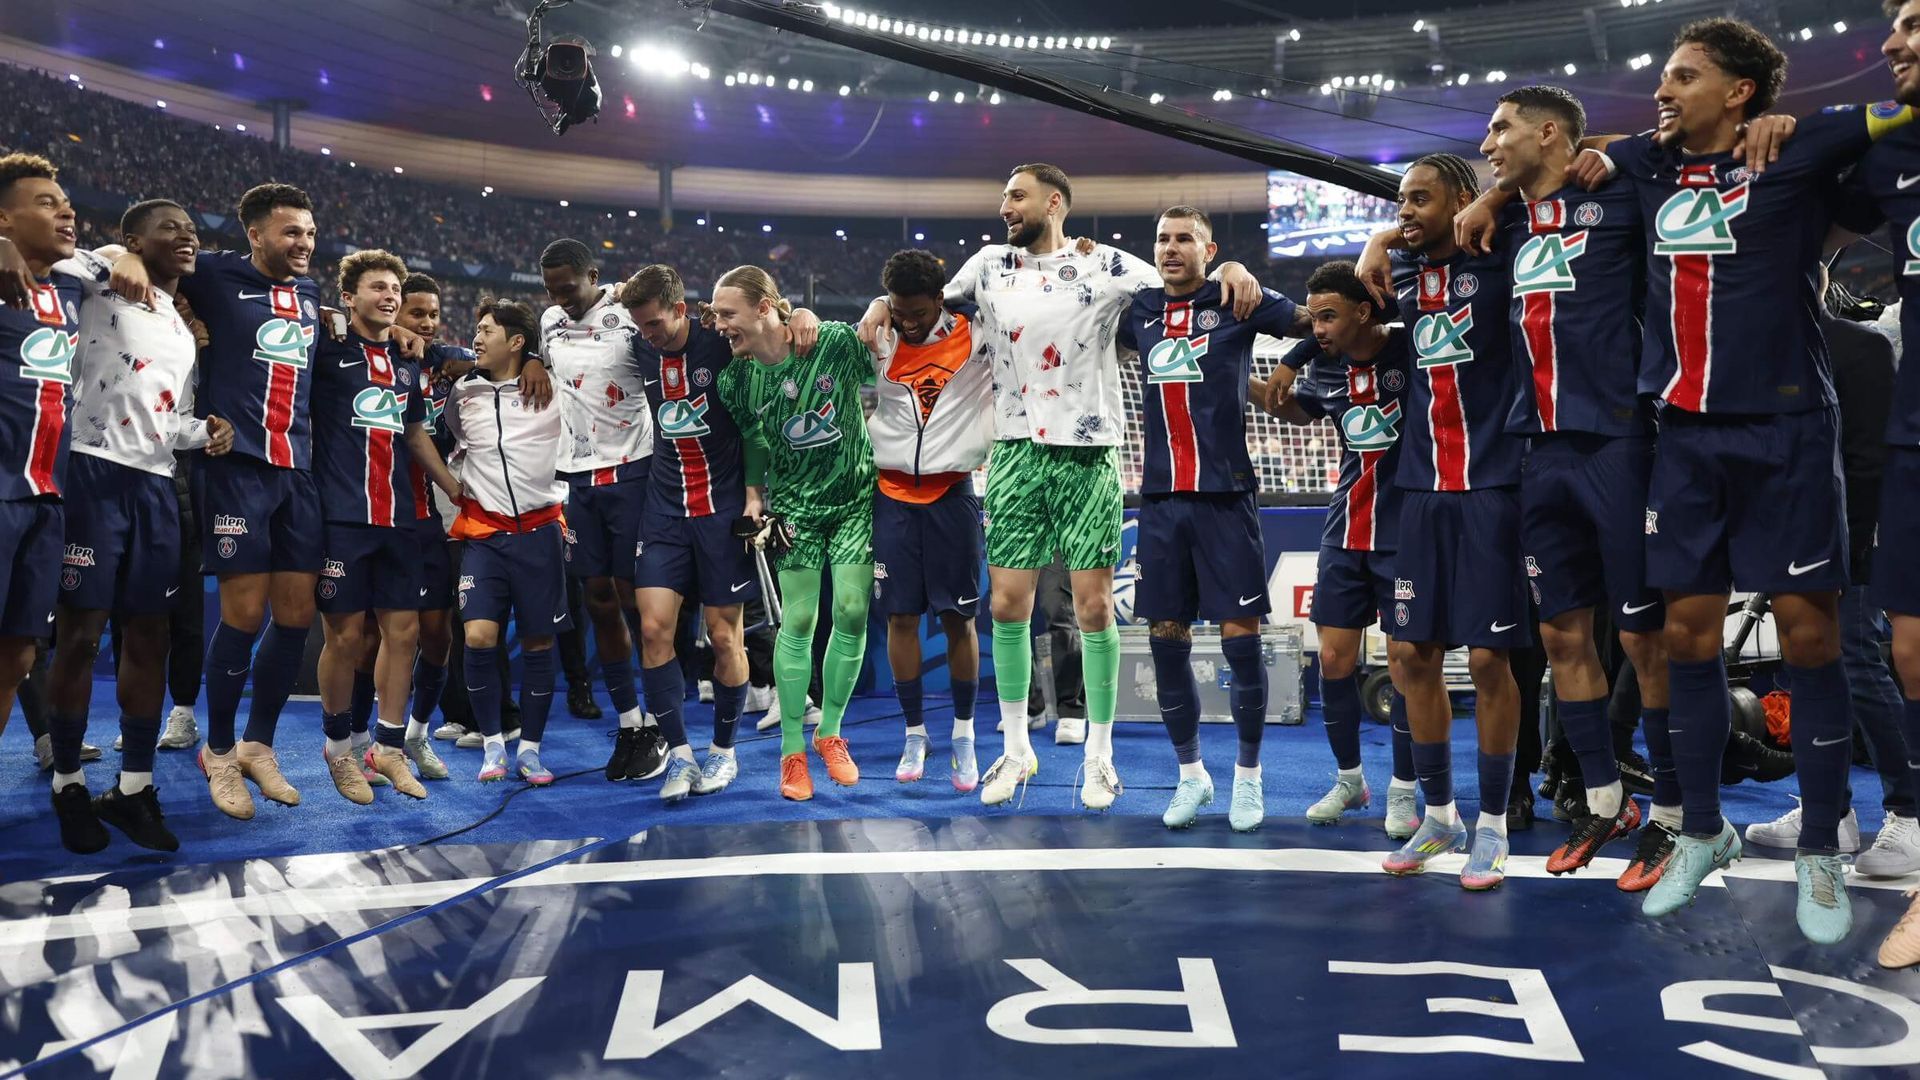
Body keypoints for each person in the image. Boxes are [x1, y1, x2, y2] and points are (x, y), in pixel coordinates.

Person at [1565, 18, 1913, 942]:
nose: (1664, 92)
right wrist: (1481, 204)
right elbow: (1568, 159)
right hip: (1680, 436)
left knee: (1808, 637)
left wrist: (1806, 125)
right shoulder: (1642, 161)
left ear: (1741, 94)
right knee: (1685, 636)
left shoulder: (1805, 150)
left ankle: (1821, 855)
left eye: (1685, 77)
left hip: (1789, 430)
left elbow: (1900, 109)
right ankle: (1704, 834)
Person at [859, 163, 1263, 811]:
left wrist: (1231, 272)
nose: (1004, 207)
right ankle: (1017, 750)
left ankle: (1099, 759)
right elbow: (926, 299)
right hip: (1015, 454)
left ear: (1054, 202)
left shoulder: (1109, 265)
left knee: (1095, 609)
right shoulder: (988, 265)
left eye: (1015, 197)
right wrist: (880, 302)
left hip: (1090, 453)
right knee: (1006, 606)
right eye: (1002, 197)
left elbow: (1182, 286)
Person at [1457, 85, 1677, 883]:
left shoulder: (1618, 195)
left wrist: (1611, 151)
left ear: (1549, 132)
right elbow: (1418, 226)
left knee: (1643, 638)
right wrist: (1482, 196)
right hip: (1535, 450)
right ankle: (1604, 799)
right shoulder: (1504, 219)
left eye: (1500, 128)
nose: (1488, 141)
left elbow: (1680, 152)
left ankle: (1678, 817)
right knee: (1558, 638)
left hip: (1617, 439)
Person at [1356, 153, 1532, 892]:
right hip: (1420, 493)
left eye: (1421, 199)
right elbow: (1326, 316)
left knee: (1491, 663)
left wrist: (1492, 199)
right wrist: (1380, 241)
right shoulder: (1399, 279)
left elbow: (1539, 194)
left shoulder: (1507, 255)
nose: (1405, 211)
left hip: (1495, 487)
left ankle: (1492, 826)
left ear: (1463, 200)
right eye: (1400, 200)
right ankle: (1439, 815)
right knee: (1408, 657)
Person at [43, 198, 228, 854]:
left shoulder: (180, 330)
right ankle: (67, 783)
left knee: (149, 636)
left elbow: (168, 418)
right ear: (133, 237)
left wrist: (203, 430)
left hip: (153, 486)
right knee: (81, 637)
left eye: (193, 229)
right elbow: (53, 251)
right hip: (89, 475)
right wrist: (113, 255)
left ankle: (132, 789)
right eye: (169, 228)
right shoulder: (94, 279)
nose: (186, 237)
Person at [1121, 206, 1301, 831]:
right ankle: (1191, 775)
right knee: (1165, 639)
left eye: (1184, 240)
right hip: (1163, 502)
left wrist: (1290, 363)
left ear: (1209, 246)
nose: (1170, 248)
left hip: (1227, 498)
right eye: (1162, 238)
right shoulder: (1139, 309)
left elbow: (1320, 323)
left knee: (1239, 642)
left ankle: (1248, 780)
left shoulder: (1236, 299)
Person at [1824, 0, 1920, 966]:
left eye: (1915, 25)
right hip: (1910, 450)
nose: (1890, 43)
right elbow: (1793, 188)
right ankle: (1906, 828)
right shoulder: (1896, 160)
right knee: (1903, 656)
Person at [1264, 259, 1419, 840]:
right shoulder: (1325, 371)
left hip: (1405, 533)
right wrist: (1236, 374)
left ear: (1363, 311)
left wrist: (1294, 353)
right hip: (1344, 531)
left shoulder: (1411, 352)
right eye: (1313, 318)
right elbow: (1289, 407)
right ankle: (1351, 779)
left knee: (1405, 663)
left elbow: (1413, 309)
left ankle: (1405, 791)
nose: (1317, 328)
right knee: (1332, 660)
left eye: (1329, 316)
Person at [712, 265, 875, 801]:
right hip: (796, 510)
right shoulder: (736, 380)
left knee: (850, 614)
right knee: (798, 619)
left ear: (765, 308)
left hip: (854, 502)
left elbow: (890, 317)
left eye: (726, 314)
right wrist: (755, 494)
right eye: (715, 315)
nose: (718, 325)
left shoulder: (827, 341)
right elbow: (757, 439)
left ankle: (830, 733)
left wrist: (874, 304)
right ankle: (791, 751)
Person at [309, 249, 449, 803]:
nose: (390, 297)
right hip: (341, 517)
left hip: (400, 518)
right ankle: (339, 750)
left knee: (405, 633)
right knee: (344, 637)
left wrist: (454, 489)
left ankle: (388, 748)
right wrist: (320, 314)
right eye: (377, 288)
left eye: (394, 289)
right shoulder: (327, 346)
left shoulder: (408, 359)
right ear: (349, 297)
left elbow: (415, 434)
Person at [618, 264, 758, 801]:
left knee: (725, 637)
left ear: (681, 309)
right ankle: (680, 757)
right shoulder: (639, 348)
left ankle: (723, 753)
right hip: (663, 511)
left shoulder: (722, 346)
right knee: (653, 630)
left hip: (723, 512)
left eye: (654, 324)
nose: (647, 335)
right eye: (640, 326)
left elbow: (774, 335)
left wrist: (753, 495)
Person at [537, 238, 665, 782]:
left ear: (593, 275)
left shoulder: (628, 315)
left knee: (642, 602)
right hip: (578, 478)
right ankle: (630, 722)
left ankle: (661, 722)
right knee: (597, 599)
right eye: (551, 290)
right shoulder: (548, 321)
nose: (560, 298)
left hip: (635, 469)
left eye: (568, 288)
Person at [864, 249, 990, 791]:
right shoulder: (878, 335)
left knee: (960, 620)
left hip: (953, 495)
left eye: (918, 312)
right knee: (900, 620)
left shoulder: (980, 335)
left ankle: (963, 733)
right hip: (891, 496)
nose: (908, 322)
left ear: (940, 300)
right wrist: (876, 309)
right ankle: (915, 732)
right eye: (899, 310)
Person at [427, 298, 566, 782]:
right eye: (476, 329)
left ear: (517, 341)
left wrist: (538, 363)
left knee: (537, 644)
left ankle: (529, 748)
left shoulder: (552, 387)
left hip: (541, 534)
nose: (477, 338)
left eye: (487, 330)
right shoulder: (463, 391)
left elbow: (571, 344)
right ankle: (492, 747)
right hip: (484, 536)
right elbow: (451, 439)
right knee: (479, 636)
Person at [0, 153, 83, 804]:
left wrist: (132, 258)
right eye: (47, 202)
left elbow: (125, 251)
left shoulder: (74, 287)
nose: (66, 211)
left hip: (47, 500)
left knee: (18, 656)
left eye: (67, 202)